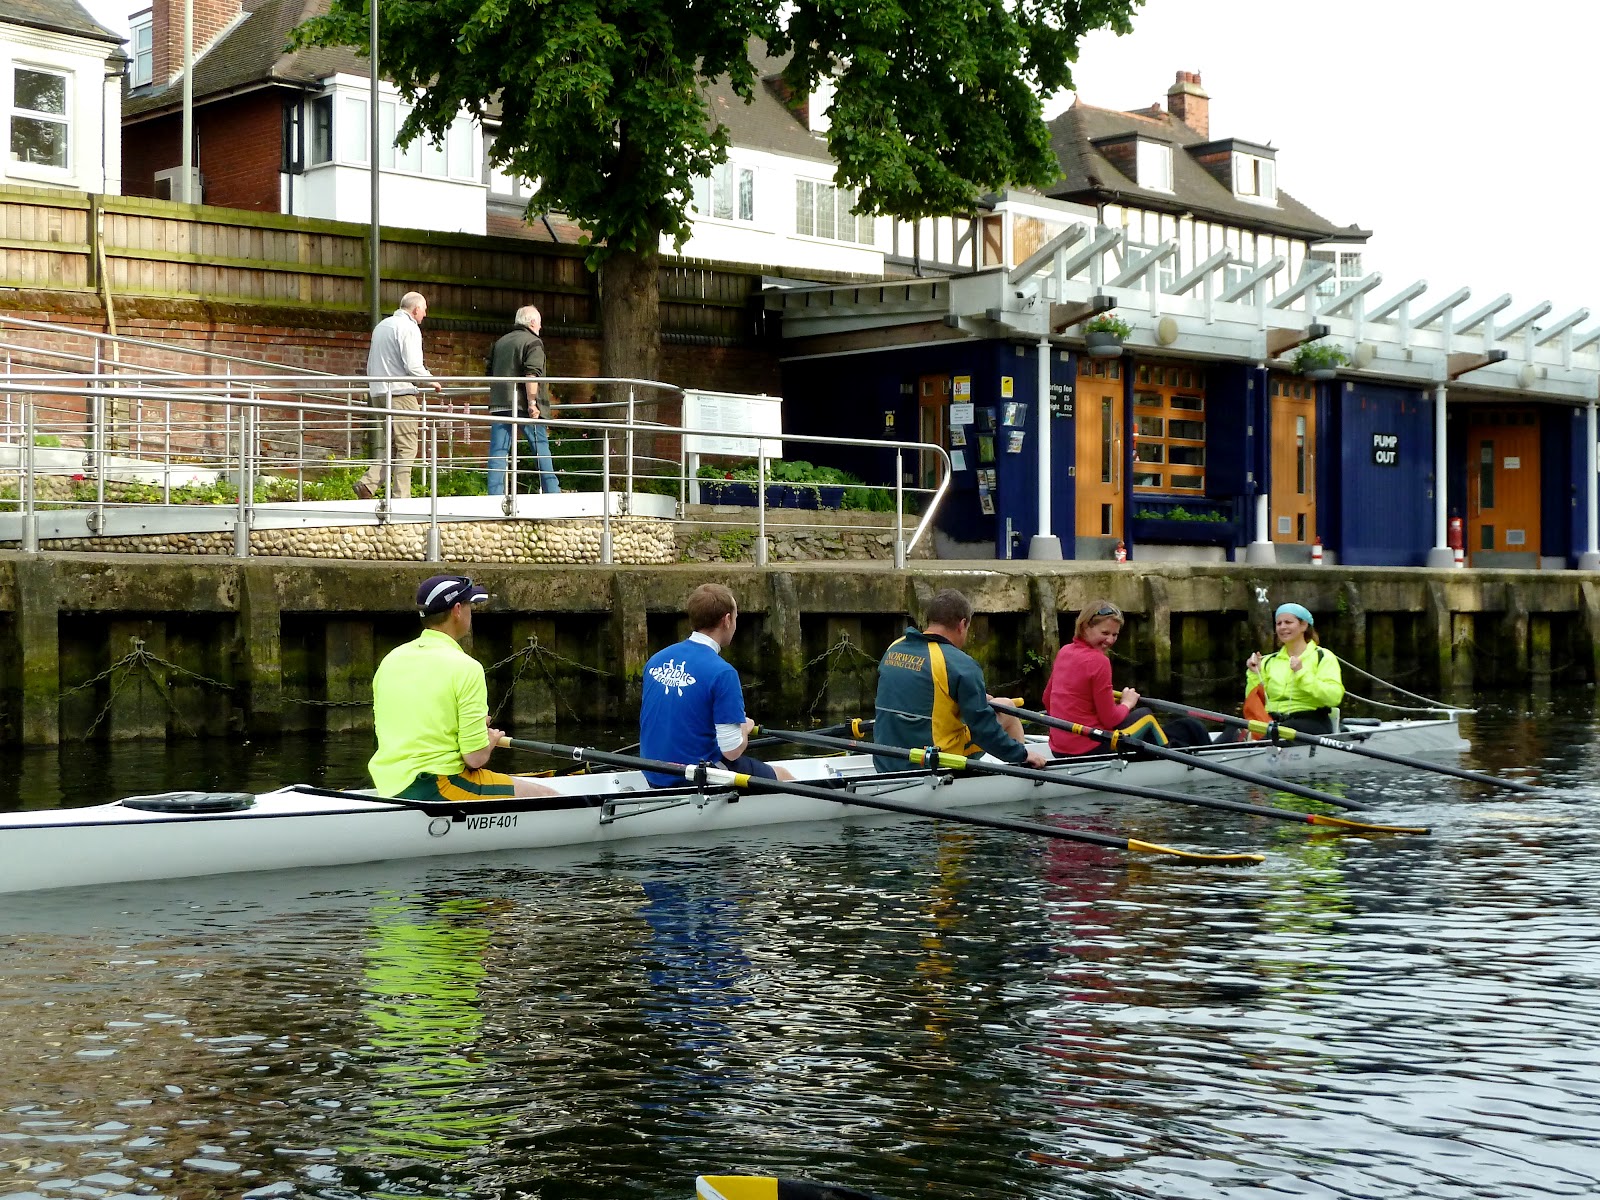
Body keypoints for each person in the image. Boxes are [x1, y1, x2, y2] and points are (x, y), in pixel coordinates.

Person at [369, 573, 557, 801]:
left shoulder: (390, 660)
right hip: (437, 784)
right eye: (470, 605)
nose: (471, 612)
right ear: (457, 610)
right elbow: (474, 758)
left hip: (388, 783)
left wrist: (469, 729)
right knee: (547, 795)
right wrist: (488, 742)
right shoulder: (467, 668)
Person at [873, 587, 1048, 773]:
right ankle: (1019, 771)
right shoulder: (960, 664)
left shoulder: (894, 648)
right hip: (935, 761)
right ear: (962, 624)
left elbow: (919, 695)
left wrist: (975, 698)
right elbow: (982, 730)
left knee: (999, 703)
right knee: (1009, 710)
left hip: (886, 759)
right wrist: (1021, 753)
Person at [638, 583, 793, 788]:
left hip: (654, 773)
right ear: (727, 620)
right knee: (784, 776)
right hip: (696, 776)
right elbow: (731, 750)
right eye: (736, 618)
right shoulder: (722, 673)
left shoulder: (656, 660)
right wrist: (744, 729)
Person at [1042, 599, 1209, 756]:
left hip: (1058, 749)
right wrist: (1127, 703)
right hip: (1091, 748)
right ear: (1085, 627)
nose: (1110, 640)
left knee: (1189, 726)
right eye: (1105, 632)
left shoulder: (1064, 652)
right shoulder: (1099, 661)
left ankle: (1179, 744)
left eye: (1114, 635)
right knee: (1146, 716)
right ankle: (1171, 761)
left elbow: (1047, 699)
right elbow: (1110, 720)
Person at [355, 291, 441, 501]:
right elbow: (412, 366)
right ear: (416, 309)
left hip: (378, 392)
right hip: (400, 393)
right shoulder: (409, 328)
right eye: (424, 311)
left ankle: (368, 483)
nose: (425, 316)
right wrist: (432, 381)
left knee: (393, 445)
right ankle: (402, 497)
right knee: (408, 446)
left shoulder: (383, 326)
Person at [486, 305, 560, 496]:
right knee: (540, 449)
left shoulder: (500, 342)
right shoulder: (533, 342)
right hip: (524, 407)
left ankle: (494, 496)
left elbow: (489, 372)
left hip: (500, 403)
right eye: (540, 323)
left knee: (499, 451)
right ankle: (553, 492)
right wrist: (532, 404)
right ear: (533, 322)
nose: (541, 327)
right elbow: (531, 374)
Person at [1244, 602, 1345, 734]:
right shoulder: (1269, 661)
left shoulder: (1323, 656)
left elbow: (1334, 697)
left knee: (1277, 732)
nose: (1282, 627)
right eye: (1279, 623)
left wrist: (1301, 673)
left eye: (1288, 622)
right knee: (1232, 731)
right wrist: (1253, 673)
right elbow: (1254, 700)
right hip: (1272, 721)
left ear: (1303, 625)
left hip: (1310, 720)